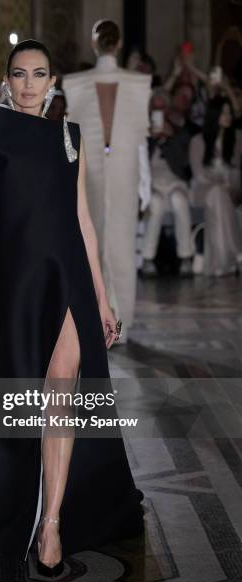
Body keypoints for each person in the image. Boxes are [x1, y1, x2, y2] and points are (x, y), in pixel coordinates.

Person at [0, 39, 144, 575]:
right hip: (17, 287)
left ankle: (52, 525)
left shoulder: (70, 138)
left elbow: (83, 224)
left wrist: (102, 296)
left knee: (61, 393)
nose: (28, 84)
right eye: (19, 74)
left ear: (52, 83)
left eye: (38, 75)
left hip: (67, 279)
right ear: (7, 81)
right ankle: (20, 507)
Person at [62, 20, 151, 343]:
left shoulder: (76, 83)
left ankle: (99, 323)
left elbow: (72, 142)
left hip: (92, 171)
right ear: (119, 43)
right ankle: (119, 325)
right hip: (125, 168)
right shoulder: (138, 83)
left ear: (93, 44)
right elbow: (141, 140)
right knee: (122, 247)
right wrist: (145, 184)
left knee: (93, 245)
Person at [142, 89, 194, 277]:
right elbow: (141, 161)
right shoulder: (143, 132)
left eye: (161, 106)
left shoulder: (179, 132)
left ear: (167, 108)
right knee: (155, 204)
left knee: (179, 199)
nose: (158, 110)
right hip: (153, 183)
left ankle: (186, 256)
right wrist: (151, 139)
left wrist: (170, 137)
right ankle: (148, 259)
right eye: (154, 107)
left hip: (174, 181)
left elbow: (184, 163)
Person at [190, 98, 242, 276]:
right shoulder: (198, 141)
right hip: (204, 191)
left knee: (219, 200)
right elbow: (199, 175)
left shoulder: (236, 139)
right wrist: (223, 178)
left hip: (227, 193)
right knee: (217, 193)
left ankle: (221, 264)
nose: (228, 116)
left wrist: (230, 184)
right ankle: (237, 251)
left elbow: (237, 173)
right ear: (214, 115)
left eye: (229, 112)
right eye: (224, 112)